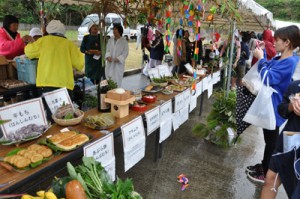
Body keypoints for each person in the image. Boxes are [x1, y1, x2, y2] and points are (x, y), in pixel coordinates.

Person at [247, 25, 300, 183]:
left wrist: (262, 58)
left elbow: (267, 77)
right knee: (269, 139)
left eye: (277, 40)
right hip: (270, 104)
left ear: (287, 42)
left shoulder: (290, 61)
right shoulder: (281, 58)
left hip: (274, 107)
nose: (274, 43)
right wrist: (264, 56)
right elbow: (269, 67)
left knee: (271, 141)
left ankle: (266, 172)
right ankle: (264, 165)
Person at [260, 80, 300, 198]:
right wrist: (291, 106)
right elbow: (282, 110)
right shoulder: (296, 86)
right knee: (270, 180)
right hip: (289, 141)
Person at [25, 20, 84, 91]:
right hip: (64, 84)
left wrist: (30, 42)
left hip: (46, 82)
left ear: (49, 30)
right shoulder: (69, 44)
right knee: (64, 103)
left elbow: (28, 52)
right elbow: (80, 63)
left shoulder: (43, 41)